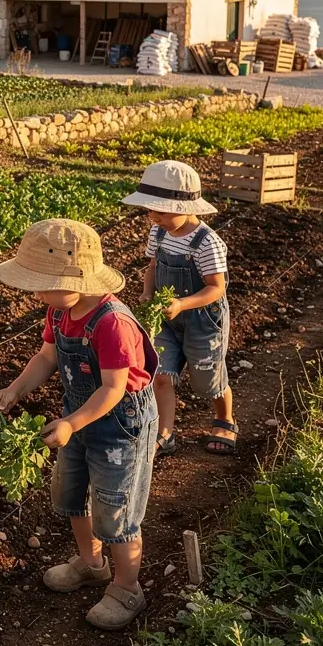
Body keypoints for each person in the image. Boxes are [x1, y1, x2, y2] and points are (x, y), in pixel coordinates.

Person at [0, 219, 158, 630]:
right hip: (78, 419)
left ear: (76, 280)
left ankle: (126, 586)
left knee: (116, 508)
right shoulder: (60, 311)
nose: (38, 294)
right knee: (71, 492)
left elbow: (115, 388)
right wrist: (16, 389)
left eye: (44, 285)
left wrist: (71, 422)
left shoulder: (111, 322)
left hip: (120, 426)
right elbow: (46, 358)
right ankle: (90, 561)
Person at [122, 160, 234, 456]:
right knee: (161, 372)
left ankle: (224, 418)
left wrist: (182, 303)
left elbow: (216, 287)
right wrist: (148, 294)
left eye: (159, 211)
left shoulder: (206, 242)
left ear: (184, 208)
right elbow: (152, 267)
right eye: (150, 210)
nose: (152, 217)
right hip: (165, 319)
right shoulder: (158, 234)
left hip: (202, 319)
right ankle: (165, 433)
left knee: (209, 376)